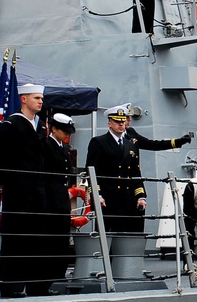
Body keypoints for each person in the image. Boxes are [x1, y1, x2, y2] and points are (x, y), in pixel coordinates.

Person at [0, 83, 48, 297]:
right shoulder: (11, 124)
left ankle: (33, 284)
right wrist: (9, 183)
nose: (40, 101)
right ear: (23, 99)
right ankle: (12, 286)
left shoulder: (40, 125)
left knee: (35, 239)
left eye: (41, 98)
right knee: (15, 240)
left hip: (37, 190)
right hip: (18, 191)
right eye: (36, 98)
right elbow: (1, 158)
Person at [86, 105, 147, 235]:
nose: (121, 124)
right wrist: (97, 196)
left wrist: (141, 196)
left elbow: (135, 173)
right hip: (108, 200)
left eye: (123, 121)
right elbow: (91, 171)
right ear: (109, 123)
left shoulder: (131, 145)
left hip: (127, 199)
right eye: (117, 121)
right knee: (107, 236)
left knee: (126, 236)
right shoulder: (99, 142)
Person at [39, 113, 76, 286]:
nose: (67, 134)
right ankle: (48, 277)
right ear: (53, 129)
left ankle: (59, 274)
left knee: (62, 240)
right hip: (50, 200)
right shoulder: (46, 146)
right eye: (64, 131)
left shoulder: (64, 148)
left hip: (61, 199)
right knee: (50, 241)